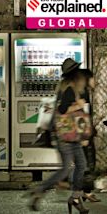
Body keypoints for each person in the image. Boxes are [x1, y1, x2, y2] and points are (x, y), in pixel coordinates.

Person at [28, 58, 89, 214]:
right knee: (66, 169)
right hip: (66, 135)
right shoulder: (69, 89)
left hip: (71, 134)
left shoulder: (70, 88)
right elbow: (62, 110)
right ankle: (40, 190)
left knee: (81, 165)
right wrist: (78, 106)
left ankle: (75, 198)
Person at [79, 68, 100, 202]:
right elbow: (84, 115)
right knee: (88, 162)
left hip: (83, 132)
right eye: (93, 78)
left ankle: (84, 191)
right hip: (84, 133)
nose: (95, 81)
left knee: (85, 162)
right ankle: (85, 192)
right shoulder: (84, 93)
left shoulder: (83, 92)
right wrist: (87, 134)